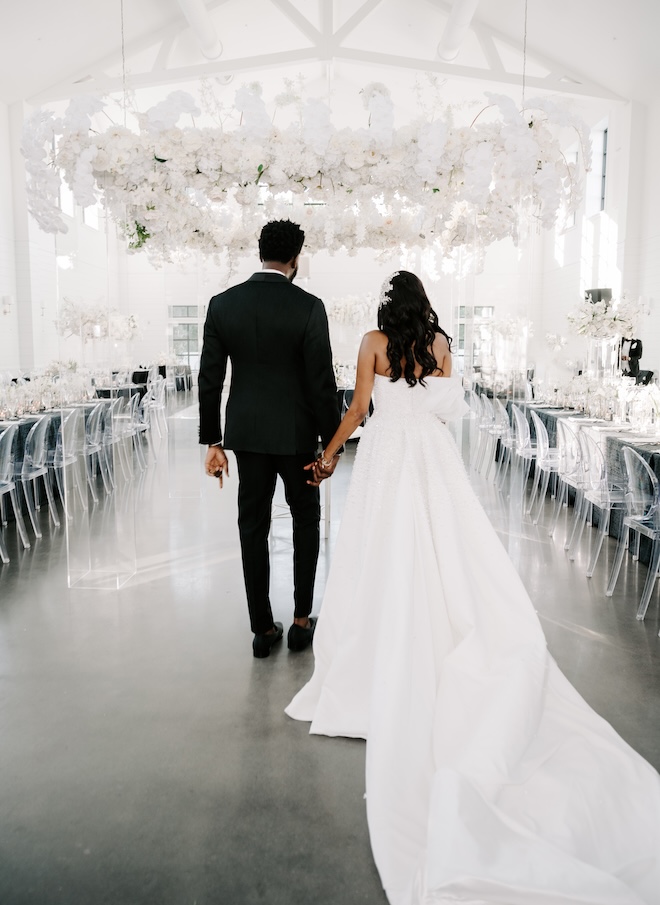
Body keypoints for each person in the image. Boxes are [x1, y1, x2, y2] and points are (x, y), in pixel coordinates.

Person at [286, 271, 660, 905]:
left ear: (384, 305)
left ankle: (375, 655)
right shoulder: (438, 346)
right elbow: (450, 408)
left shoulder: (373, 341)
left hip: (385, 453)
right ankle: (438, 631)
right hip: (429, 454)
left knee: (380, 548)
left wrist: (327, 457)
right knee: (439, 546)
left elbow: (356, 409)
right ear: (422, 305)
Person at [198, 219, 341, 659]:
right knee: (305, 523)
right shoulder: (309, 307)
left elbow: (209, 378)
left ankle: (262, 628)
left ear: (260, 253)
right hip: (298, 438)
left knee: (252, 527)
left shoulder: (223, 305)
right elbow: (321, 383)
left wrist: (213, 441)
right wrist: (330, 445)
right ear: (296, 259)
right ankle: (301, 622)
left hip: (247, 437)